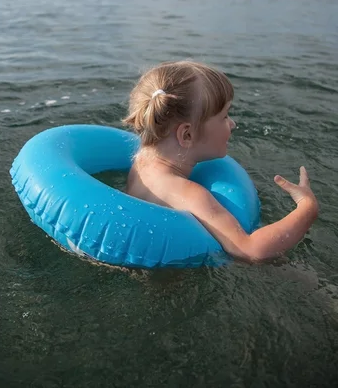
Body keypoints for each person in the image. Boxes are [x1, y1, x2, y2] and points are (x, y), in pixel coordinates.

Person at [123, 61, 318, 262]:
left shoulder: (141, 161)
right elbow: (250, 250)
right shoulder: (189, 194)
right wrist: (307, 207)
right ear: (187, 134)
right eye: (224, 116)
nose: (232, 124)